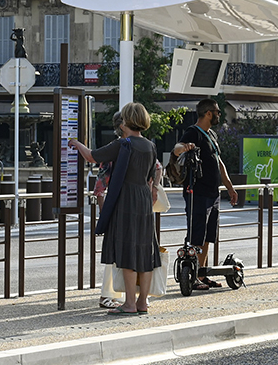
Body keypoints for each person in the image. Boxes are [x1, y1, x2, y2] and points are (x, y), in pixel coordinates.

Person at [70, 102, 160, 315]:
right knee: (145, 250)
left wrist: (76, 144)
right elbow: (151, 175)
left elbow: (92, 156)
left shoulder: (123, 144)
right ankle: (142, 302)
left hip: (126, 199)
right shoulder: (150, 146)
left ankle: (129, 303)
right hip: (144, 199)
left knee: (127, 250)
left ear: (125, 121)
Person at [172, 99, 238, 289]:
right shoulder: (194, 132)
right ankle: (191, 276)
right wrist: (183, 149)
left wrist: (230, 187)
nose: (219, 114)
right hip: (197, 193)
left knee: (209, 235)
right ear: (208, 113)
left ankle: (201, 273)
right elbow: (177, 148)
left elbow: (219, 162)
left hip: (213, 193)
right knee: (196, 235)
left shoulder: (212, 135)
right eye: (217, 111)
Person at [95, 112, 123, 310]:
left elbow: (99, 187)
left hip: (119, 207)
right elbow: (99, 187)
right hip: (119, 207)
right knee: (116, 253)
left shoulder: (127, 146)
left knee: (118, 252)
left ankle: (113, 294)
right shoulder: (117, 149)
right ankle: (108, 294)